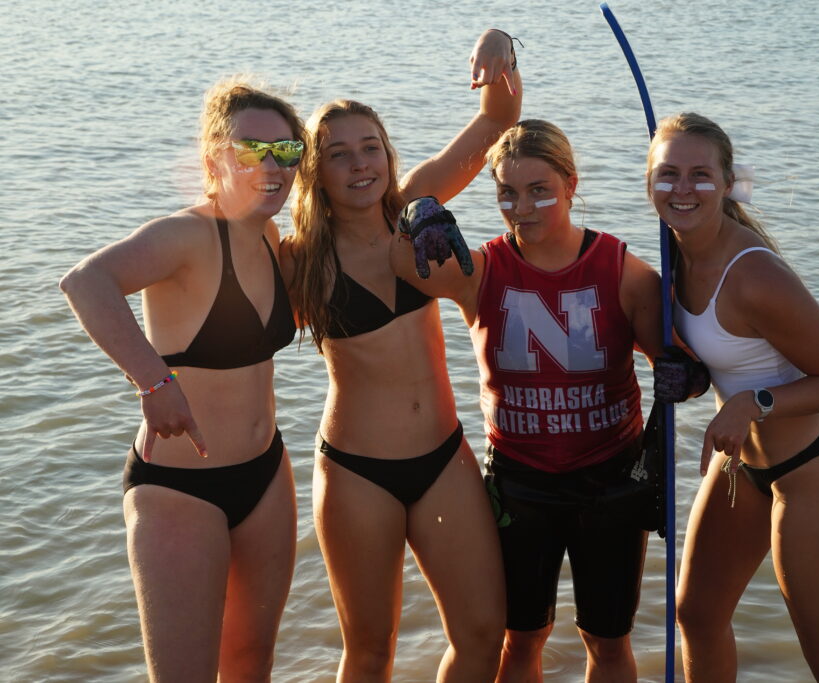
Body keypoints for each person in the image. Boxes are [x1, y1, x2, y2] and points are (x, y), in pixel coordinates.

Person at [280, 29, 521, 683]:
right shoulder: (299, 259)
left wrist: (498, 46)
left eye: (370, 148)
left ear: (387, 155)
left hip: (443, 458)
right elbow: (221, 275)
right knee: (369, 652)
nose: (360, 165)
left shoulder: (417, 205)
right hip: (357, 474)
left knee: (482, 634)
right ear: (315, 173)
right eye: (338, 155)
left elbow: (498, 120)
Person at [391, 119, 664, 683]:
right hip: (519, 484)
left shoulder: (624, 272)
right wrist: (417, 212)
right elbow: (391, 253)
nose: (522, 208)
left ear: (571, 184)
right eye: (507, 194)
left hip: (611, 483)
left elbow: (679, 364)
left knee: (607, 642)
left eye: (540, 190)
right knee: (520, 640)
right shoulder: (479, 270)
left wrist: (677, 393)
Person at [59, 80, 306, 681]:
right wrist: (154, 381)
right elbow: (87, 281)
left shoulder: (271, 236)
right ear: (214, 157)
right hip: (179, 492)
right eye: (251, 150)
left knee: (252, 668)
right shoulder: (186, 234)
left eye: (287, 151)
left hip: (267, 476)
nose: (271, 166)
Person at [648, 112, 819, 682]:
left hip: (814, 471)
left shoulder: (754, 273)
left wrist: (753, 403)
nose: (683, 190)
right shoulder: (674, 257)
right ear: (648, 181)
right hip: (742, 467)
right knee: (696, 614)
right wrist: (694, 377)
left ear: (728, 182)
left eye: (700, 174)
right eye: (668, 174)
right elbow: (729, 356)